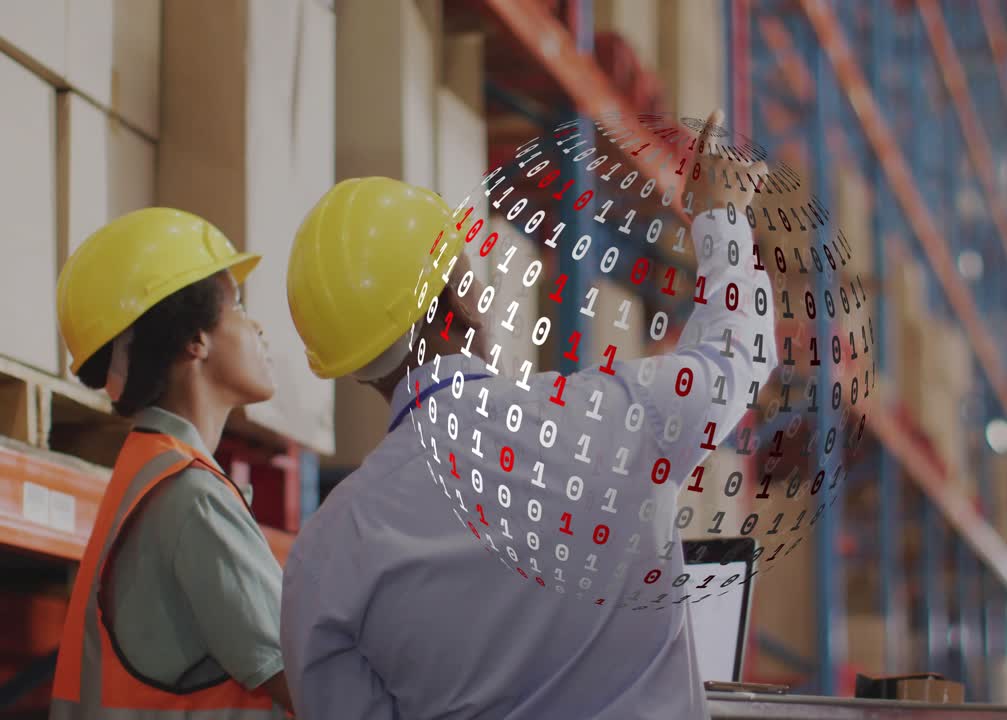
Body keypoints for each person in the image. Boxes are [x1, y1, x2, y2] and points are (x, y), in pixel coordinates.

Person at [280, 109, 775, 719]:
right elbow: (737, 351)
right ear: (460, 303)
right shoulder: (614, 417)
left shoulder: (324, 558)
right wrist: (720, 214)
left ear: (354, 365)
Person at [50, 208, 295, 719]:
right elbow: (310, 680)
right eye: (239, 306)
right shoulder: (191, 497)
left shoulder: (152, 472)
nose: (258, 326)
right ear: (194, 340)